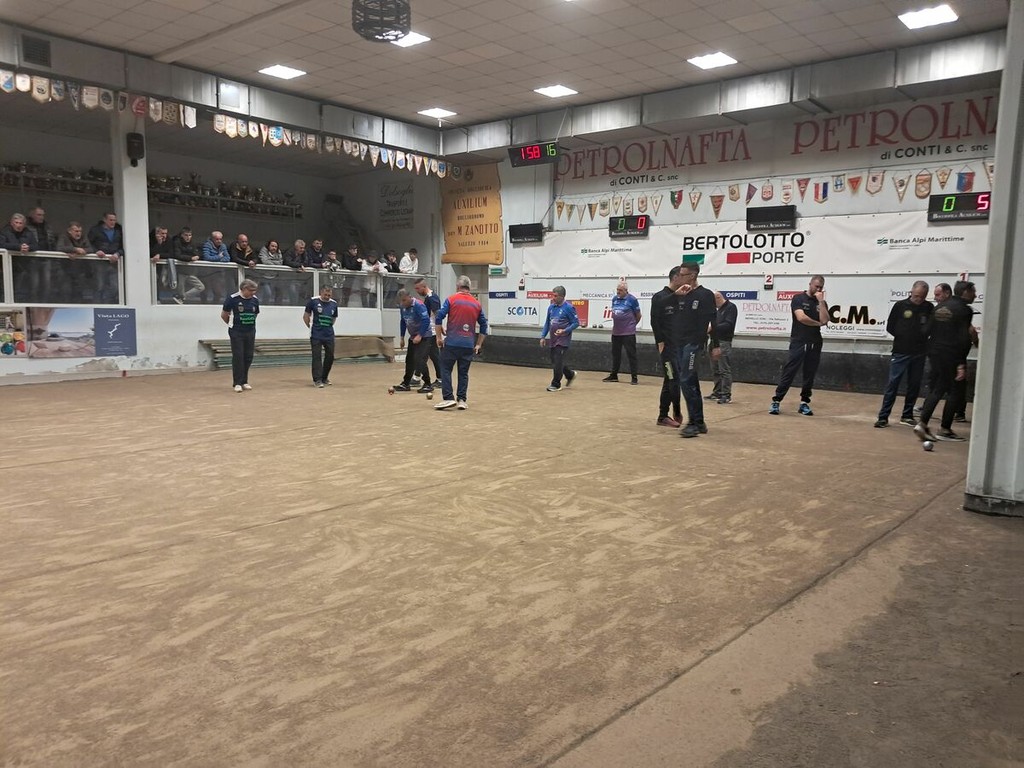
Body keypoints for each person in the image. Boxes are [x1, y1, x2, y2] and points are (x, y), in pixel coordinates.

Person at [914, 280, 977, 443]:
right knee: (956, 390)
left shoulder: (939, 307)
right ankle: (945, 429)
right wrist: (961, 363)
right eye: (973, 292)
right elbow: (963, 338)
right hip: (952, 355)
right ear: (965, 292)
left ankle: (922, 424)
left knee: (939, 387)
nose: (975, 295)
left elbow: (925, 331)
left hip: (935, 353)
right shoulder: (965, 310)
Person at [874, 281, 932, 428]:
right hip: (901, 351)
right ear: (911, 292)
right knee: (893, 384)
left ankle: (907, 415)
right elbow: (890, 326)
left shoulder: (928, 307)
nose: (919, 299)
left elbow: (930, 327)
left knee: (914, 385)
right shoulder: (900, 305)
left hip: (919, 353)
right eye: (917, 296)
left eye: (922, 297)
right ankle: (883, 417)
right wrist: (903, 337)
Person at [769, 275, 829, 416]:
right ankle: (776, 400)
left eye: (821, 287)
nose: (818, 289)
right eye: (816, 286)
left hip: (815, 342)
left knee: (810, 373)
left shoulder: (822, 303)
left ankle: (804, 403)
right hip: (799, 341)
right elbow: (801, 318)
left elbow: (825, 320)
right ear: (810, 284)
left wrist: (821, 302)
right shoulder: (798, 299)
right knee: (790, 371)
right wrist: (817, 323)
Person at [671, 263, 720, 437]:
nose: (679, 277)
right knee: (690, 381)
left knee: (686, 380)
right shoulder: (681, 294)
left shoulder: (705, 295)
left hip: (694, 344)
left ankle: (692, 422)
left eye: (682, 275)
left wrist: (716, 345)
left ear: (692, 276)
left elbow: (714, 321)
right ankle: (699, 421)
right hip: (680, 343)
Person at [433, 274, 488, 410]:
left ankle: (448, 398)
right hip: (468, 344)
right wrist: (478, 344)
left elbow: (439, 317)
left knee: (446, 369)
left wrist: (439, 337)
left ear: (457, 286)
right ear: (469, 287)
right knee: (463, 373)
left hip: (452, 343)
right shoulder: (476, 303)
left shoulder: (451, 299)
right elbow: (484, 325)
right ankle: (462, 400)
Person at [651, 266, 685, 428]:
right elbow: (654, 320)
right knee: (673, 378)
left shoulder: (682, 297)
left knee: (669, 381)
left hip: (679, 346)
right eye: (683, 276)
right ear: (675, 277)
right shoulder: (660, 297)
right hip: (666, 347)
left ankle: (663, 416)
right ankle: (675, 411)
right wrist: (660, 342)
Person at [221, 278, 260, 392]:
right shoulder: (232, 299)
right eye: (251, 290)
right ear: (244, 289)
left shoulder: (255, 300)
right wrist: (232, 325)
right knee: (238, 356)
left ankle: (244, 381)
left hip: (250, 331)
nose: (253, 293)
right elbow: (224, 315)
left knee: (248, 356)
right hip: (236, 332)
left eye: (254, 290)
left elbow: (255, 314)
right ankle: (237, 383)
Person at [540, 286, 580, 392]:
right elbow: (547, 323)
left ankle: (556, 384)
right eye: (552, 295)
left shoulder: (569, 308)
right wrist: (543, 336)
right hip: (553, 339)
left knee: (558, 361)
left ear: (562, 296)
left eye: (555, 296)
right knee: (556, 361)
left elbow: (576, 323)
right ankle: (570, 374)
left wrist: (564, 331)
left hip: (563, 340)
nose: (553, 298)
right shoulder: (551, 308)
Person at [602, 280, 641, 384]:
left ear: (626, 291)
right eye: (617, 290)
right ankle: (614, 375)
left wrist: (631, 326)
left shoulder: (632, 300)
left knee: (631, 355)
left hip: (628, 333)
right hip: (616, 332)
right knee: (616, 355)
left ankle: (634, 377)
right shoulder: (614, 299)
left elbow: (638, 315)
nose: (618, 292)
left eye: (620, 290)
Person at [394, 288, 431, 392]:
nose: (402, 303)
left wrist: (420, 335)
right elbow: (403, 321)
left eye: (404, 300)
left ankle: (428, 384)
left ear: (410, 297)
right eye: (401, 301)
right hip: (413, 337)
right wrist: (402, 337)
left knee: (419, 359)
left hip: (424, 336)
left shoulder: (419, 305)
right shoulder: (402, 307)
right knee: (409, 360)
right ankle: (406, 383)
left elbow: (426, 320)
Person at [304, 284, 339, 388]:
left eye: (329, 295)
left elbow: (333, 318)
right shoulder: (313, 301)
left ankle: (324, 377)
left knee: (330, 356)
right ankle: (317, 380)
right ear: (321, 292)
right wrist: (310, 327)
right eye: (325, 295)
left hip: (329, 334)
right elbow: (306, 316)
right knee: (317, 357)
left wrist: (328, 327)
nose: (327, 297)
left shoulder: (334, 304)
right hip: (316, 334)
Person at [707, 291, 738, 404]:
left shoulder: (731, 308)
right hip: (714, 341)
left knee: (724, 369)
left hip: (723, 342)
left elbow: (729, 325)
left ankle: (726, 394)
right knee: (715, 369)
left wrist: (713, 328)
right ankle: (717, 392)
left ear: (718, 298)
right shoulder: (718, 310)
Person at [86, 213, 123, 303]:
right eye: (111, 220)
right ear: (104, 220)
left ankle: (107, 304)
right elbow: (88, 244)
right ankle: (97, 305)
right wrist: (96, 251)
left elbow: (123, 246)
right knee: (99, 286)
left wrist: (118, 253)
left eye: (114, 220)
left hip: (113, 263)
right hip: (99, 262)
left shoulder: (118, 231)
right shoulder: (95, 230)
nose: (113, 222)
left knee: (115, 287)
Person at [413, 277, 442, 388]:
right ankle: (417, 377)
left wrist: (439, 329)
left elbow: (437, 314)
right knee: (426, 355)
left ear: (424, 287)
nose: (417, 291)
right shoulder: (428, 298)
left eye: (418, 288)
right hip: (429, 331)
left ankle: (439, 379)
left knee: (428, 355)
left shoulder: (432, 298)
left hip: (431, 332)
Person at [169, 227, 205, 304]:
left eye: (189, 235)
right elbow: (177, 255)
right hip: (180, 271)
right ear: (182, 235)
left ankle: (182, 297)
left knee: (200, 287)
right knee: (180, 291)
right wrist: (190, 258)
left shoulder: (193, 243)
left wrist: (195, 256)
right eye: (186, 235)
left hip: (189, 271)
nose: (188, 237)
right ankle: (180, 298)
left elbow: (197, 254)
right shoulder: (177, 242)